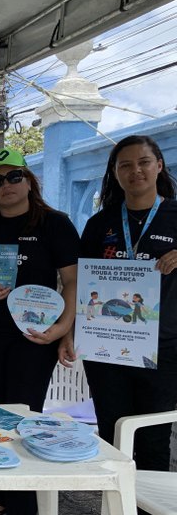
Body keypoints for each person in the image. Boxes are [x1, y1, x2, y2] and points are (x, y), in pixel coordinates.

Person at [0, 147, 80, 515]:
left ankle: (23, 505)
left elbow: (72, 281)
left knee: (25, 416)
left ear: (28, 180)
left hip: (34, 336)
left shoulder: (53, 223)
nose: (6, 185)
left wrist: (63, 327)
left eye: (14, 177)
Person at [79, 135, 177, 478]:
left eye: (144, 162)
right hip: (105, 347)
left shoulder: (175, 215)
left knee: (152, 438)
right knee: (112, 432)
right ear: (115, 174)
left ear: (159, 166)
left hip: (161, 349)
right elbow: (81, 283)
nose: (136, 170)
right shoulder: (99, 225)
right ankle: (114, 505)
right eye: (125, 165)